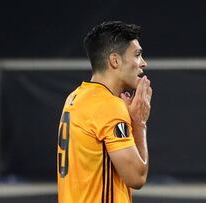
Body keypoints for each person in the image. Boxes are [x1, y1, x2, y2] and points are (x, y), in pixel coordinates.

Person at [57, 21, 152, 203]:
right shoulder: (108, 106)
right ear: (115, 60)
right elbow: (137, 178)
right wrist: (139, 123)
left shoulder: (74, 98)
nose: (143, 63)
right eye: (138, 55)